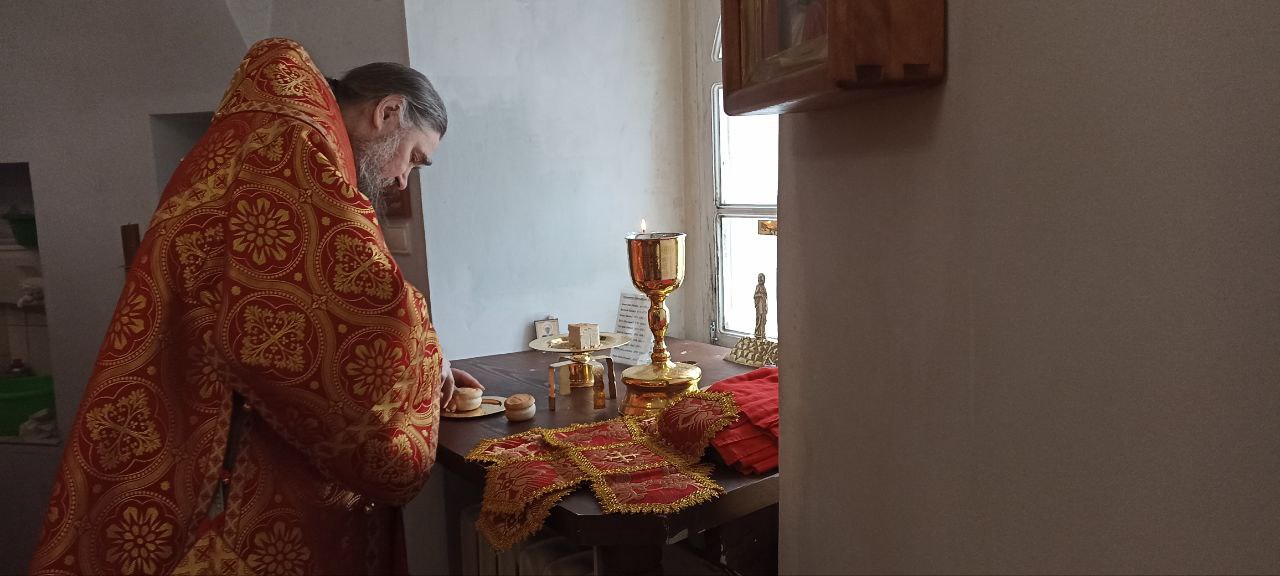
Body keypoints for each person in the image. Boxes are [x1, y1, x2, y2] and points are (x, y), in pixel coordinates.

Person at [30, 38, 481, 575]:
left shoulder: (275, 134)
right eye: (414, 159)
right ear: (387, 112)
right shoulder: (293, 145)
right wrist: (424, 362)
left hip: (199, 397)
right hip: (226, 447)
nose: (403, 178)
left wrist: (425, 363)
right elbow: (323, 322)